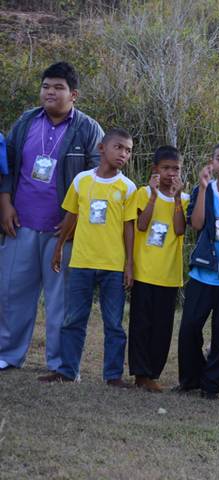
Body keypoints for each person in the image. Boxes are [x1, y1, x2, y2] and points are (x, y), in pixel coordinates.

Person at [0, 62, 104, 372]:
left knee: (62, 301)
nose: (50, 92)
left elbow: (99, 178)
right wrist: (5, 204)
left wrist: (77, 220)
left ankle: (60, 363)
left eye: (58, 87)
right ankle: (8, 353)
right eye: (46, 86)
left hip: (63, 231)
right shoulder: (26, 121)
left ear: (73, 94)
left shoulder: (88, 129)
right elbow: (7, 166)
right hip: (20, 224)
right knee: (12, 292)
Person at [37, 128, 136, 386]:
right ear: (102, 148)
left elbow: (129, 227)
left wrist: (129, 263)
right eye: (118, 147)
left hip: (113, 266)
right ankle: (67, 371)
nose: (123, 154)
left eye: (128, 151)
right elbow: (71, 216)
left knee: (114, 323)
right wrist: (59, 247)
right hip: (81, 262)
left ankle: (113, 376)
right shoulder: (82, 180)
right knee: (74, 319)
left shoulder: (128, 187)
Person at [175, 141, 219, 399]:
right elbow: (196, 224)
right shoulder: (202, 189)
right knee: (190, 328)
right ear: (212, 162)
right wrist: (204, 188)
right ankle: (190, 380)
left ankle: (212, 385)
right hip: (202, 274)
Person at [129, 146, 189, 392]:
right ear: (155, 169)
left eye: (176, 169)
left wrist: (177, 199)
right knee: (141, 325)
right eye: (166, 168)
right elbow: (142, 226)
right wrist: (154, 196)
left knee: (162, 328)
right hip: (144, 272)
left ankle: (153, 373)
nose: (171, 174)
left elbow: (180, 229)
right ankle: (140, 374)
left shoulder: (184, 199)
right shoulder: (143, 193)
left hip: (169, 275)